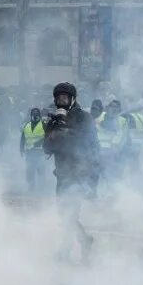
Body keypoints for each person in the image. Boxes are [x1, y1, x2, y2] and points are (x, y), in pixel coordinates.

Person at [43, 82, 98, 260]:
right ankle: (83, 240)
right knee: (64, 212)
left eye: (65, 97)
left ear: (72, 99)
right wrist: (54, 129)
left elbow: (90, 143)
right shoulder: (54, 120)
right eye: (59, 98)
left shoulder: (84, 118)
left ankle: (67, 250)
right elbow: (46, 147)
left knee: (70, 212)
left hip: (80, 172)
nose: (61, 101)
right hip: (62, 174)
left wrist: (66, 132)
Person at [19, 107, 47, 193]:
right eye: (33, 114)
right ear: (31, 116)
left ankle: (43, 188)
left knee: (41, 170)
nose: (35, 116)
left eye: (37, 114)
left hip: (40, 152)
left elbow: (48, 137)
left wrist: (39, 143)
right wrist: (21, 149)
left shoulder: (43, 125)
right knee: (29, 170)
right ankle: (31, 187)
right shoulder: (26, 125)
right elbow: (23, 138)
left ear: (39, 115)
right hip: (29, 152)